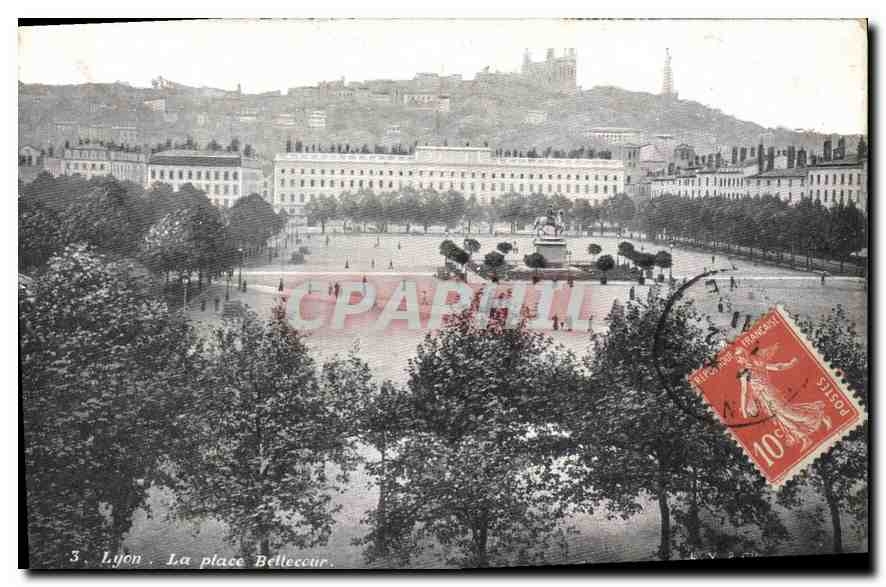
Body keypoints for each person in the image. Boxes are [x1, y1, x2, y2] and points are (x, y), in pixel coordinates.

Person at [735, 346, 830, 450]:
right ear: (738, 361)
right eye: (740, 357)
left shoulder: (757, 363)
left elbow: (776, 367)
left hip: (769, 393)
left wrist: (790, 364)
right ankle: (804, 438)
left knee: (788, 413)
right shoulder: (743, 372)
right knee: (781, 418)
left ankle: (818, 416)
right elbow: (744, 392)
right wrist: (744, 409)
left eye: (744, 354)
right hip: (763, 399)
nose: (743, 357)